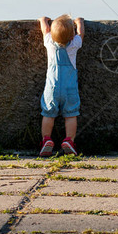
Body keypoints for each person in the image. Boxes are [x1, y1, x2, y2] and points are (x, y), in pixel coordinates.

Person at [37, 14, 85, 156]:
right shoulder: (74, 44)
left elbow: (45, 30)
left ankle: (46, 140)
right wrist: (79, 22)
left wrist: (43, 20)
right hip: (70, 89)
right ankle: (69, 141)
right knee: (71, 115)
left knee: (48, 114)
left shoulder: (49, 42)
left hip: (51, 88)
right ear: (72, 36)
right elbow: (81, 34)